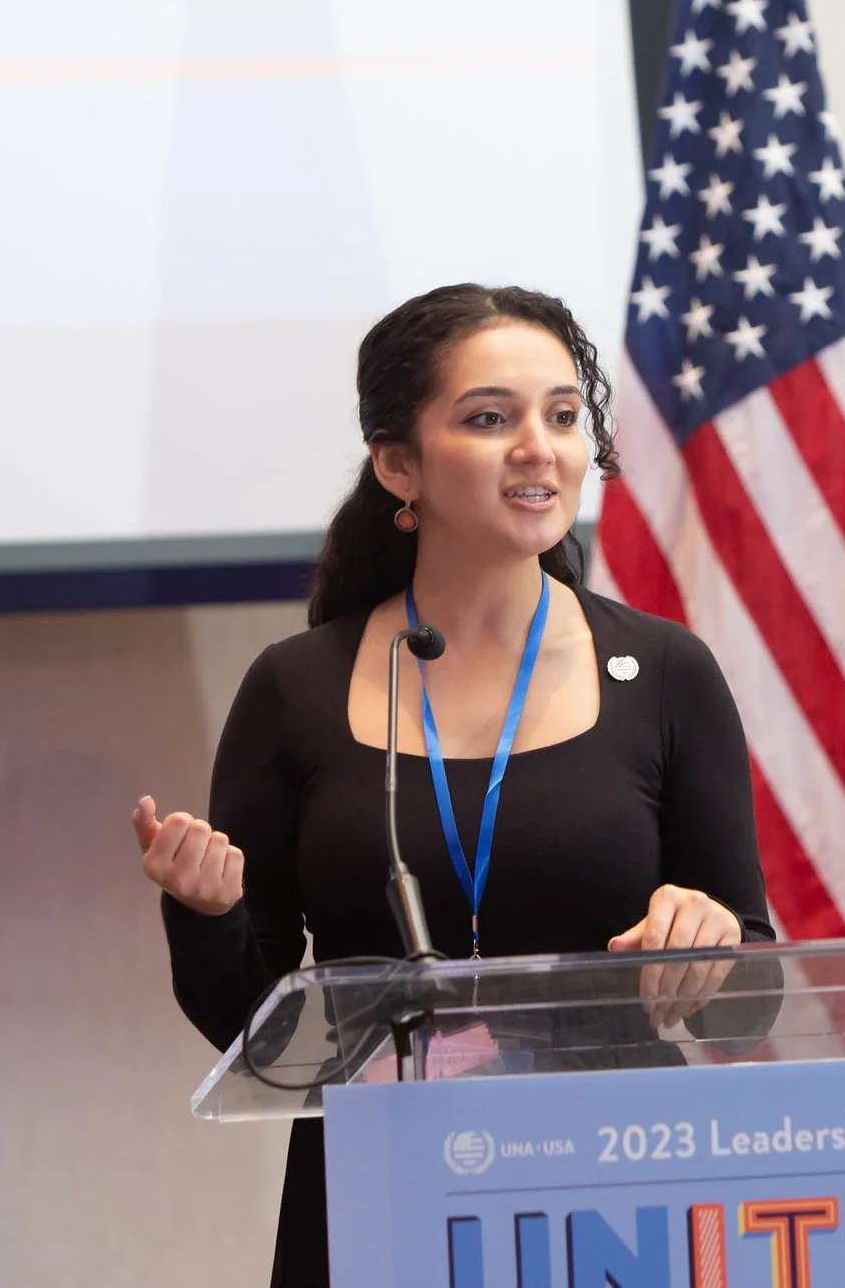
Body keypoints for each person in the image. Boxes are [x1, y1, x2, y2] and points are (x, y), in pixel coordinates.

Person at [131, 282, 773, 1287]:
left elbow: (754, 1000)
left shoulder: (663, 673)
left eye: (562, 415)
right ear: (398, 464)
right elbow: (254, 1035)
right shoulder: (297, 689)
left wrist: (711, 940)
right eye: (489, 418)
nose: (539, 446)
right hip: (379, 1190)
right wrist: (206, 914)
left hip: (612, 1192)